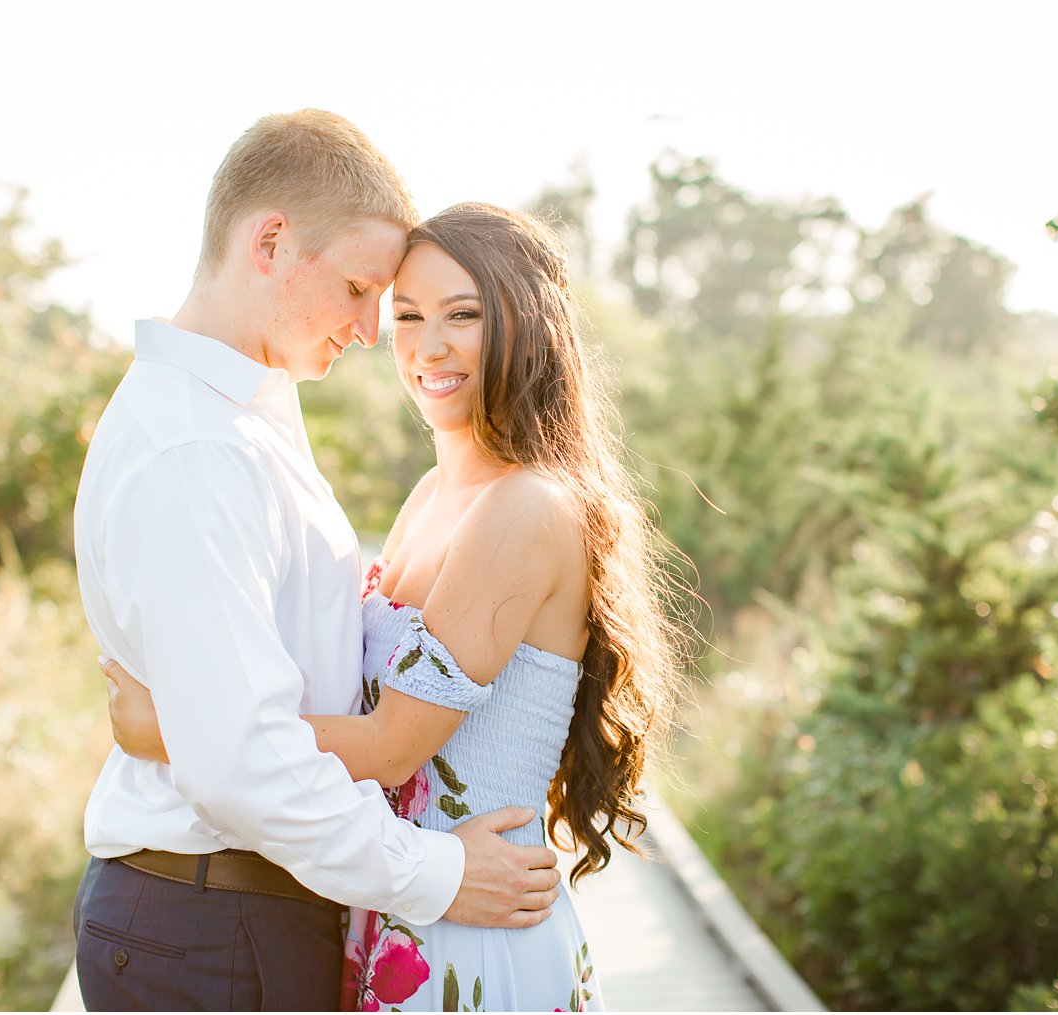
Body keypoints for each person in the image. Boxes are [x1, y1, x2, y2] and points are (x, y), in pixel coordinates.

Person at [102, 202, 691, 1011]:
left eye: (463, 314)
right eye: (406, 315)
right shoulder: (430, 494)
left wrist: (170, 726)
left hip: (474, 924)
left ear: (529, 325)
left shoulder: (526, 507)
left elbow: (388, 744)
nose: (427, 344)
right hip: (403, 911)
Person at [71, 112, 562, 1013]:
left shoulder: (249, 416)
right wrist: (437, 875)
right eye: (359, 287)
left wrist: (175, 725)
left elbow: (242, 725)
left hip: (242, 911)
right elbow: (241, 761)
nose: (376, 330)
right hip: (210, 920)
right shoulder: (197, 449)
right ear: (269, 242)